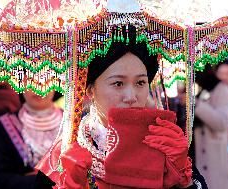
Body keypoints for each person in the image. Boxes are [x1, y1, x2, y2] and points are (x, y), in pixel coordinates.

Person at [34, 26, 207, 189]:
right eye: (118, 83)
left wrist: (185, 181)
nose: (131, 97)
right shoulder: (65, 156)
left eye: (140, 82)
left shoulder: (164, 145)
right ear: (90, 90)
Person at [0, 90, 63, 189]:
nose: (38, 89)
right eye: (31, 80)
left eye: (45, 78)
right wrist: (40, 181)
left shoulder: (76, 122)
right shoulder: (4, 126)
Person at [192, 66, 228, 189]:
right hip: (201, 158)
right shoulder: (205, 89)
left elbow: (222, 122)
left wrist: (196, 104)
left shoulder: (222, 90)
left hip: (214, 158)